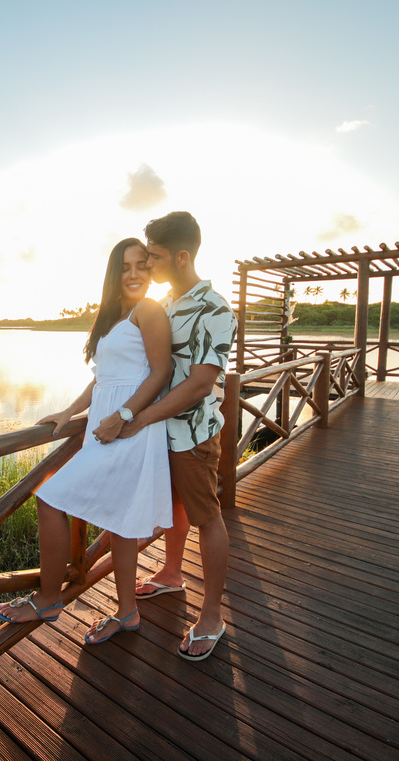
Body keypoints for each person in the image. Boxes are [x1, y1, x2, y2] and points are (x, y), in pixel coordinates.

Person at [0, 238, 173, 645]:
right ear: (114, 273)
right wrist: (68, 413)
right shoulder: (116, 317)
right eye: (126, 266)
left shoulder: (149, 310)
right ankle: (127, 613)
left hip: (131, 428)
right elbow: (101, 380)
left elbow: (160, 374)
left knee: (51, 497)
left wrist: (123, 416)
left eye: (143, 266)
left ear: (151, 272)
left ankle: (48, 598)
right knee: (121, 524)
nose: (134, 274)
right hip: (106, 425)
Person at [118, 211, 237, 661]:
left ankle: (211, 616)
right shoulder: (165, 304)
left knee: (207, 516)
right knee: (174, 506)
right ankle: (171, 573)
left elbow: (201, 383)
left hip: (191, 434)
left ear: (182, 256)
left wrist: (143, 416)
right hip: (155, 432)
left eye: (155, 256)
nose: (147, 263)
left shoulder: (216, 309)